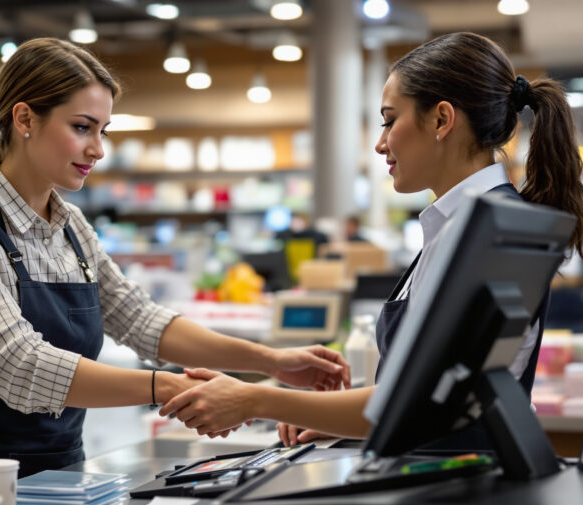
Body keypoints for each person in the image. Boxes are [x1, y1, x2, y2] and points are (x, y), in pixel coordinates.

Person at [0, 37, 349, 477]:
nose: (98, 149)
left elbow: (141, 321)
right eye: (83, 127)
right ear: (24, 118)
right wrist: (169, 387)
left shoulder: (72, 227)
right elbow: (19, 364)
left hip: (62, 473)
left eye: (103, 131)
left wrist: (270, 360)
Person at [159, 32, 583, 447]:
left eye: (389, 120)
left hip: (454, 492)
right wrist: (339, 418)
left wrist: (255, 398)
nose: (380, 144)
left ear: (441, 119)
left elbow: (420, 402)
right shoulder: (466, 223)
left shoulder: (489, 233)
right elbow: (427, 396)